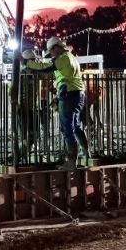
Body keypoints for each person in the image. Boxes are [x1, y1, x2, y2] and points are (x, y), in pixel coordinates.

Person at [26, 37, 88, 169]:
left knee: (67, 127)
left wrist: (27, 63)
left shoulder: (62, 58)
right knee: (76, 125)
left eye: (51, 51)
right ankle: (86, 153)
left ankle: (71, 162)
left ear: (56, 47)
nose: (51, 55)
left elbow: (45, 67)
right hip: (78, 93)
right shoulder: (71, 57)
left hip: (68, 93)